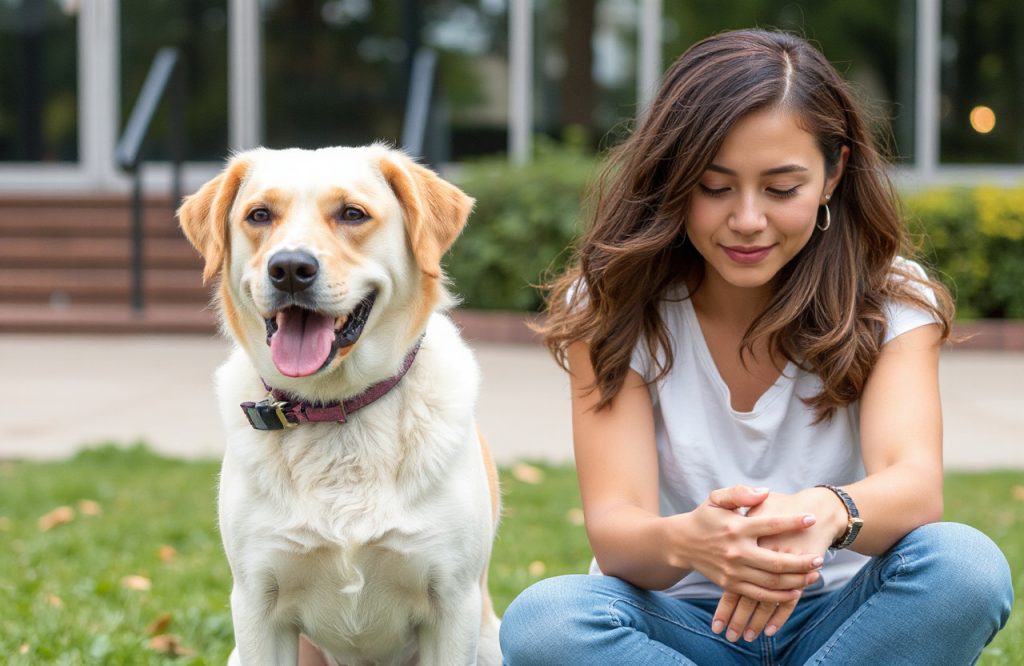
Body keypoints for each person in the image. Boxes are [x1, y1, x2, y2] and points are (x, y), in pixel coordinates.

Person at [499, 29, 1012, 665]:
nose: (746, 220)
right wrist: (695, 543)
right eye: (714, 188)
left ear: (833, 174)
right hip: (679, 627)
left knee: (965, 566)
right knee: (546, 621)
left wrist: (826, 512)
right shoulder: (610, 304)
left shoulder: (890, 298)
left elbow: (914, 486)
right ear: (671, 178)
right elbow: (617, 531)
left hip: (847, 626)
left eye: (781, 188)